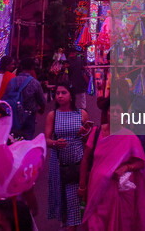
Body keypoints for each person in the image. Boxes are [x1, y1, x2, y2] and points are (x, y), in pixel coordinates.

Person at [78, 100, 145, 230]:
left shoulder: (130, 137)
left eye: (119, 111)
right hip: (96, 188)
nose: (115, 114)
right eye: (112, 111)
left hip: (118, 192)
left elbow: (141, 162)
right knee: (96, 223)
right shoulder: (96, 132)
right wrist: (82, 186)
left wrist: (126, 167)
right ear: (106, 113)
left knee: (119, 224)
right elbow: (85, 159)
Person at [45, 83, 91, 231]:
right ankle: (66, 221)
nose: (59, 96)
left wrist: (84, 133)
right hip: (58, 165)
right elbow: (45, 140)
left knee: (73, 199)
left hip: (77, 163)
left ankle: (71, 226)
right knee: (61, 198)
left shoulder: (82, 114)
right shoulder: (53, 115)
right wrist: (54, 143)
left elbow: (89, 140)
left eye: (63, 93)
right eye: (57, 93)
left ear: (71, 96)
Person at [2, 57, 46, 139]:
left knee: (13, 140)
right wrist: (41, 109)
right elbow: (42, 101)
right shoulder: (35, 83)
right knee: (26, 142)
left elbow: (5, 97)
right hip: (28, 117)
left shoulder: (12, 81)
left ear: (21, 67)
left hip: (13, 115)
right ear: (32, 68)